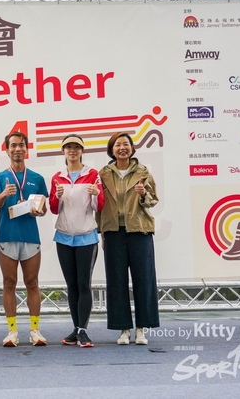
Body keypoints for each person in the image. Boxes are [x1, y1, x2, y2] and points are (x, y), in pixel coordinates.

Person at [96, 132, 160, 345]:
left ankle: (141, 329)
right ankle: (124, 329)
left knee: (144, 280)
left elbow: (153, 200)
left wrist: (142, 193)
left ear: (132, 148)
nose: (122, 148)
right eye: (117, 145)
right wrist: (101, 232)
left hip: (139, 231)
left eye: (126, 144)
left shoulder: (142, 171)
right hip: (113, 232)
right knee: (116, 282)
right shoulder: (103, 174)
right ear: (111, 150)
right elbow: (99, 204)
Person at [0, 132, 49, 347]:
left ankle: (35, 330)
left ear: (26, 149)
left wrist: (38, 211)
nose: (17, 149)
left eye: (21, 145)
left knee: (32, 282)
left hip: (30, 236)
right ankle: (12, 331)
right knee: (9, 283)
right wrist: (4, 194)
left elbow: (44, 208)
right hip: (7, 236)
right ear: (7, 150)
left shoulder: (37, 178)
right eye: (13, 145)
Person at [49, 134, 104, 348]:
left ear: (82, 151)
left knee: (83, 284)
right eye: (68, 147)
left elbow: (98, 206)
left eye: (76, 147)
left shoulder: (92, 174)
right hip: (63, 237)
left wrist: (96, 193)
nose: (72, 150)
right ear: (63, 151)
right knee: (71, 285)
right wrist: (56, 196)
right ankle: (76, 328)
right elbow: (54, 209)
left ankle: (83, 330)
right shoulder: (58, 177)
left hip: (86, 237)